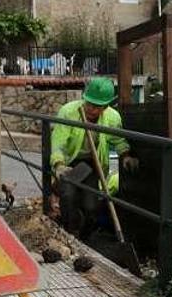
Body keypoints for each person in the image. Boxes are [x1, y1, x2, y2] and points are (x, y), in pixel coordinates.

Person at [51, 77, 139, 239]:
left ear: (106, 106)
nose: (91, 109)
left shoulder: (112, 118)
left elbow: (118, 140)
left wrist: (125, 155)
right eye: (89, 104)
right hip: (70, 161)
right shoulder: (68, 112)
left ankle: (85, 236)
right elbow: (58, 143)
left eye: (97, 106)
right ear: (84, 98)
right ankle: (70, 233)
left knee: (91, 205)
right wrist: (59, 164)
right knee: (68, 195)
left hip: (93, 163)